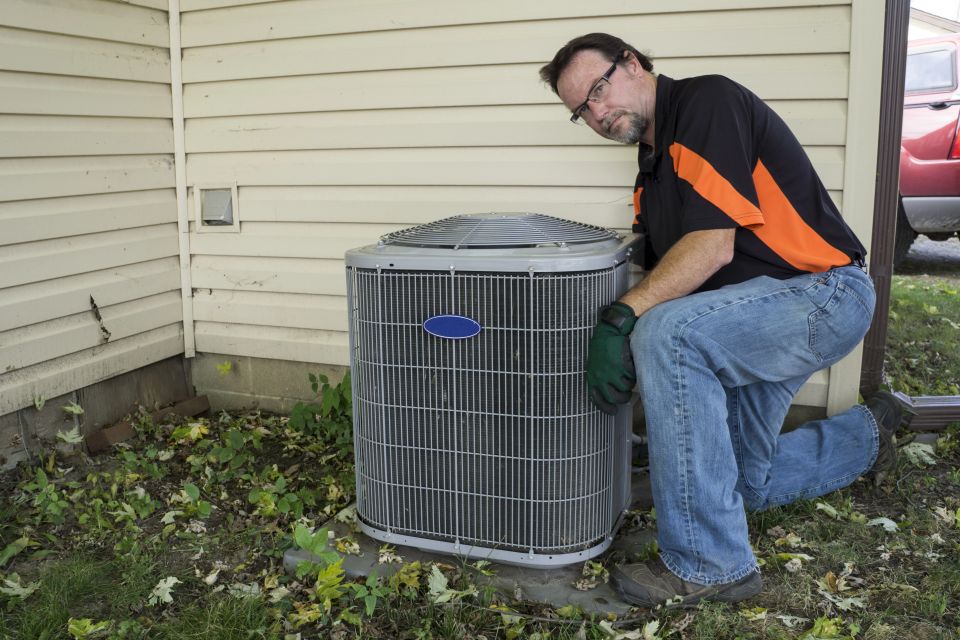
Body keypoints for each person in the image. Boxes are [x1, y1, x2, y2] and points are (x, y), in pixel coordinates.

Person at [539, 33, 903, 608]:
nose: (598, 113)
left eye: (600, 90)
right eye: (581, 110)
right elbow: (664, 271)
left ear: (633, 63)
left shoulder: (707, 104)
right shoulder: (651, 170)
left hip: (821, 294)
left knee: (667, 333)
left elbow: (711, 248)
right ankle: (868, 435)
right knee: (736, 484)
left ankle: (711, 565)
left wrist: (620, 322)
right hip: (752, 319)